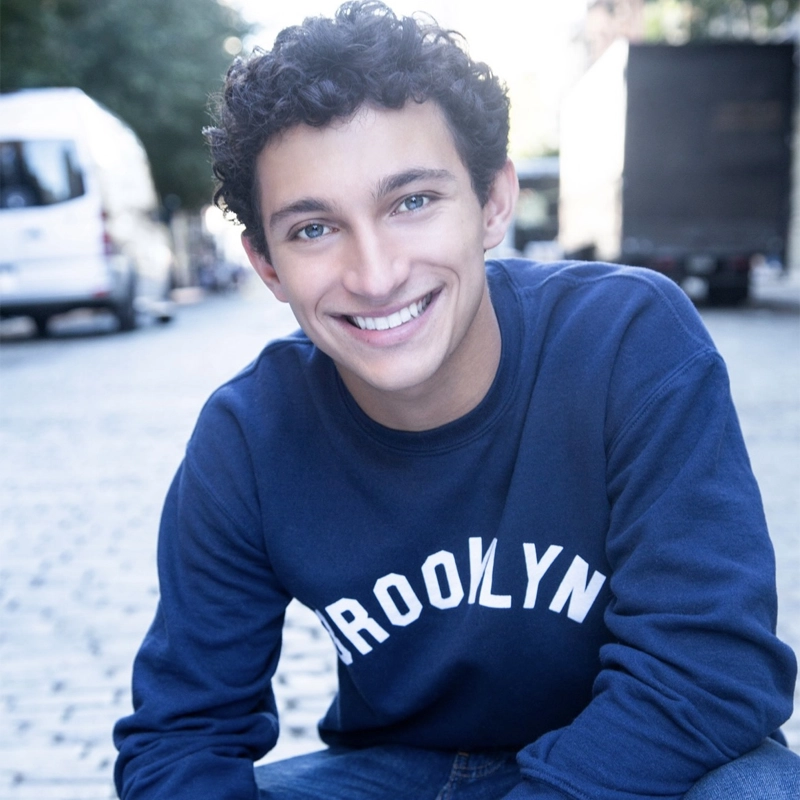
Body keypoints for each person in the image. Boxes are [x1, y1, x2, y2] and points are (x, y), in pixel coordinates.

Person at [113, 3, 799, 798]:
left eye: (412, 203)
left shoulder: (627, 340)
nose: (375, 275)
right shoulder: (250, 436)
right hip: (399, 774)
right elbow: (181, 736)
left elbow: (711, 668)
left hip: (646, 760)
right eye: (312, 229)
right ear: (265, 265)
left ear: (493, 204)